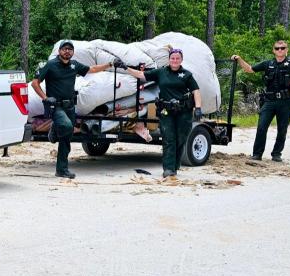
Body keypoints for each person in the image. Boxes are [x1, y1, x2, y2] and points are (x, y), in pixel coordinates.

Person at [31, 41, 118, 178]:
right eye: (64, 49)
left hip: (70, 106)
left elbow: (92, 69)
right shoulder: (50, 65)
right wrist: (45, 98)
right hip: (56, 106)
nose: (67, 51)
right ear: (59, 51)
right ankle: (54, 129)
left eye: (70, 49)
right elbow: (35, 83)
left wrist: (110, 64)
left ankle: (61, 169)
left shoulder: (74, 65)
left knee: (67, 136)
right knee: (65, 126)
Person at [124, 49, 202, 178]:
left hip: (184, 112)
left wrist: (198, 107)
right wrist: (125, 68)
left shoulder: (187, 75)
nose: (175, 61)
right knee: (169, 139)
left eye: (177, 58)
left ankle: (175, 165)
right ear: (169, 60)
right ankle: (168, 169)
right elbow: (141, 75)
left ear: (181, 60)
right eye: (172, 58)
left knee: (180, 138)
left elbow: (196, 91)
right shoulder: (161, 72)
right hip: (166, 112)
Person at [231, 40, 290, 162]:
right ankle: (257, 154)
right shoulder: (268, 64)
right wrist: (239, 59)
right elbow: (249, 69)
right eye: (277, 48)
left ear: (287, 49)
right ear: (273, 50)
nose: (280, 50)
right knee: (261, 126)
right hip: (269, 101)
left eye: (282, 48)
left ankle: (276, 154)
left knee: (282, 129)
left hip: (286, 102)